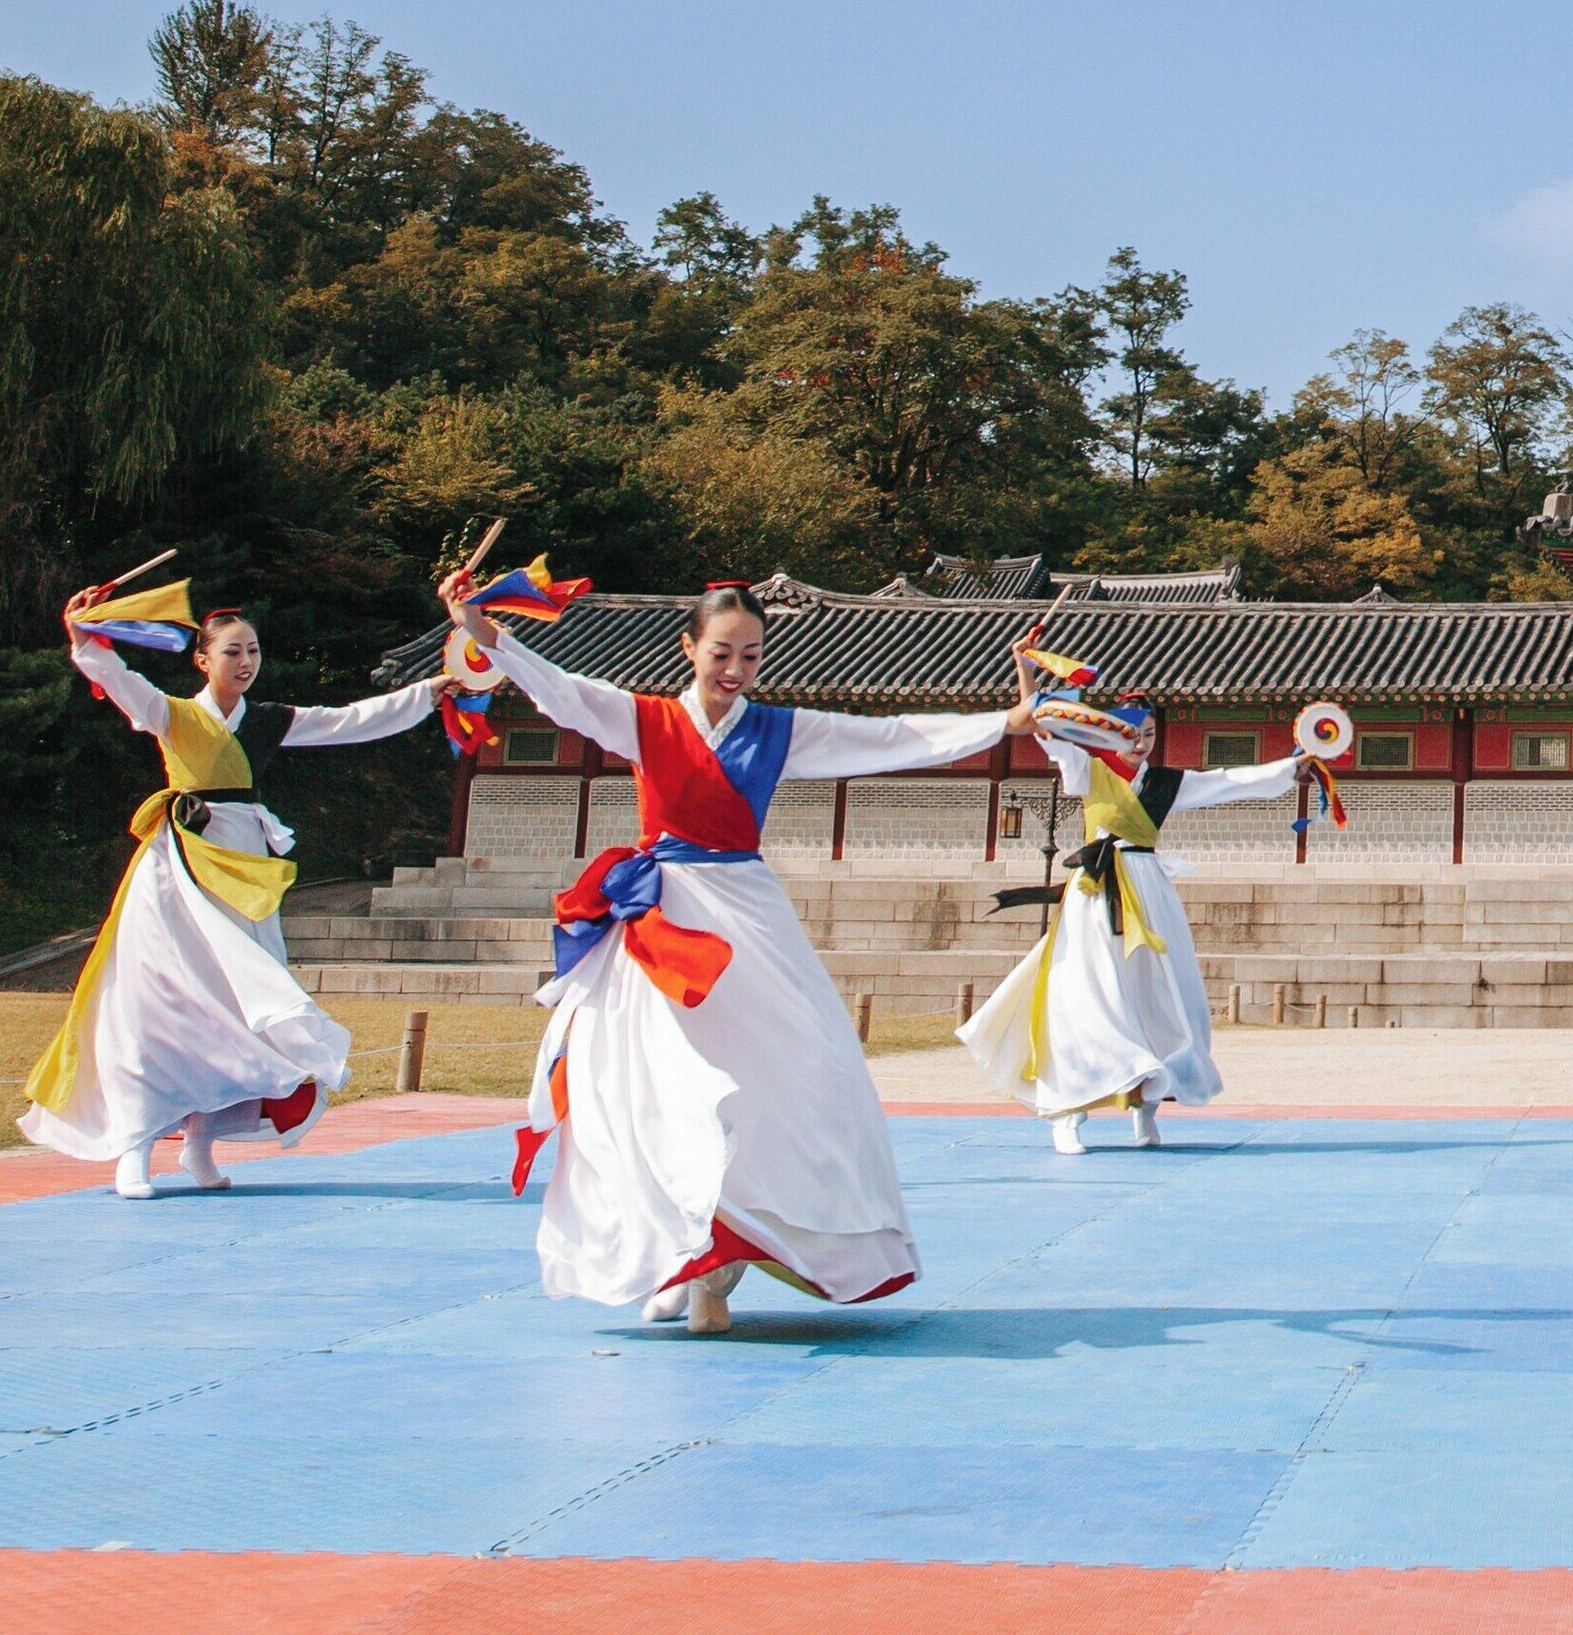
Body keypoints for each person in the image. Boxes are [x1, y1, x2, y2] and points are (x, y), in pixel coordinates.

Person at [446, 570, 1035, 1333]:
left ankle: (721, 1265)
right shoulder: (645, 719)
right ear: (688, 647)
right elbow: (561, 691)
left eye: (750, 656)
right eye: (721, 653)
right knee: (659, 1089)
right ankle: (680, 1259)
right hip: (663, 921)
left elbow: (890, 737)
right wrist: (483, 631)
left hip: (749, 917)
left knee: (801, 1072)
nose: (734, 670)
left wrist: (1004, 721)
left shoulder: (781, 730)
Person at [24, 594, 440, 1198]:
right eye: (232, 651)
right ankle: (135, 1147)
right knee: (154, 1002)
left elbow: (351, 721)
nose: (246, 661)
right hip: (178, 870)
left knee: (240, 1006)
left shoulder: (268, 719)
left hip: (244, 871)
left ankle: (200, 1142)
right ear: (202, 660)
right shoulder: (169, 713)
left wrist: (431, 692)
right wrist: (82, 635)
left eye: (253, 651)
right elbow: (118, 678)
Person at [956, 695, 1304, 1152]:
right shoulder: (1088, 771)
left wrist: (1291, 767)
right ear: (1108, 732)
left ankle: (1146, 1108)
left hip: (1150, 896)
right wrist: (1029, 682)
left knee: (1155, 998)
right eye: (1130, 732)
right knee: (1087, 994)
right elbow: (1046, 729)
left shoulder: (1166, 783)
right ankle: (1068, 1113)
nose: (1140, 742)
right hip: (1095, 894)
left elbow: (1226, 782)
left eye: (1149, 734)